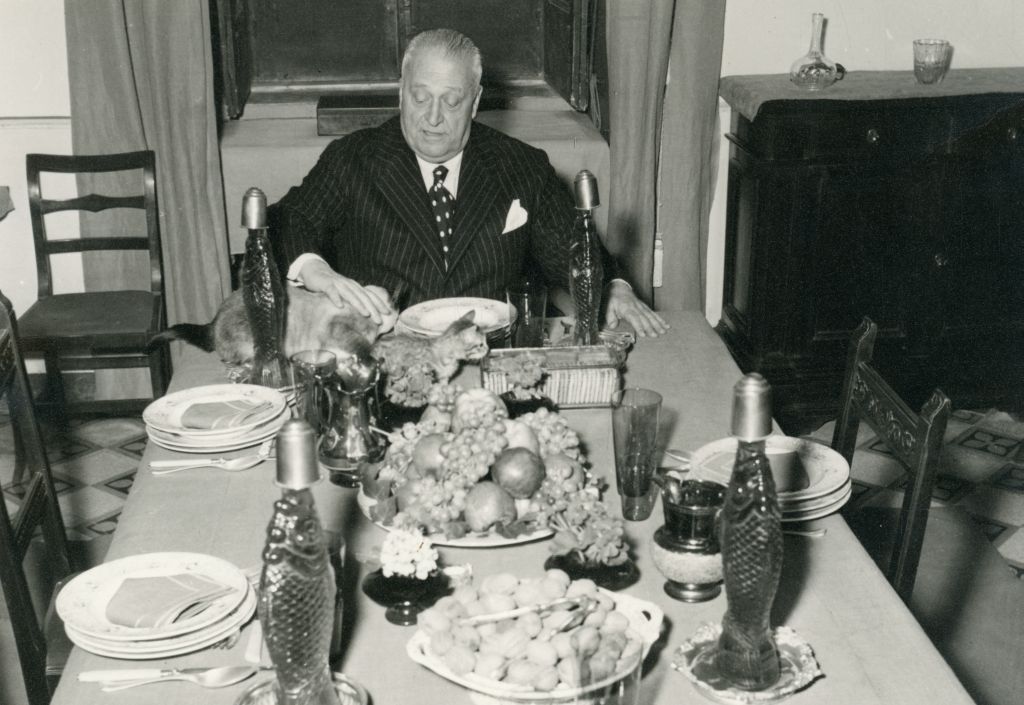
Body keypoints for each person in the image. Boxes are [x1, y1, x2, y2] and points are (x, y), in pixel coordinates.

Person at [268, 28, 668, 338]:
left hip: (492, 357)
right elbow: (288, 220)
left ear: (475, 103)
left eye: (451, 101)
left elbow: (573, 249)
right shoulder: (353, 158)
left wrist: (612, 287)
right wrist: (316, 270)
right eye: (420, 98)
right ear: (401, 94)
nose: (433, 117)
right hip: (386, 354)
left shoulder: (522, 166)